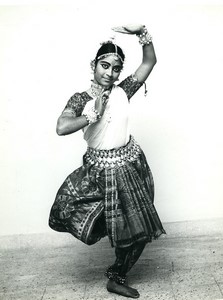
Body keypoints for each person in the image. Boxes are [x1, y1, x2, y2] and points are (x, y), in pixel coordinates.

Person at [49, 24, 166, 298]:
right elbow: (62, 126)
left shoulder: (123, 91)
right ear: (94, 64)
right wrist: (93, 115)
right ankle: (116, 272)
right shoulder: (81, 99)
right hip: (100, 172)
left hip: (131, 165)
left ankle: (117, 276)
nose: (109, 73)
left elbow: (150, 60)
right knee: (112, 225)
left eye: (115, 68)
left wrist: (143, 33)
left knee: (139, 229)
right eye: (104, 65)